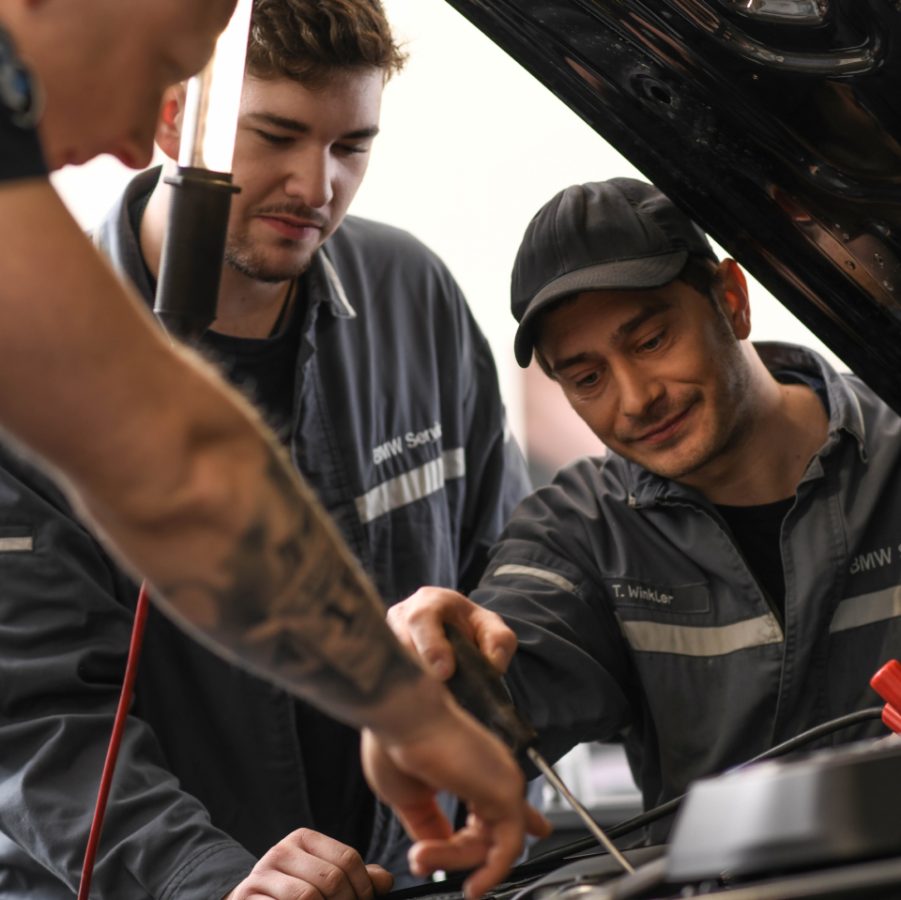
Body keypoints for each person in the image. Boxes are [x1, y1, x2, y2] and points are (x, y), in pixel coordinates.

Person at [0, 0, 545, 895]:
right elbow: (179, 473)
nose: (137, 149)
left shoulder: (412, 294)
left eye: (349, 145)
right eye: (160, 66)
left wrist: (418, 714)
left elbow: (188, 473)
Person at [387, 176, 901, 853]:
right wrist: (438, 666)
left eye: (651, 340)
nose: (634, 399)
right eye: (587, 378)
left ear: (732, 300)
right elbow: (508, 664)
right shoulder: (577, 531)